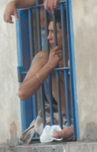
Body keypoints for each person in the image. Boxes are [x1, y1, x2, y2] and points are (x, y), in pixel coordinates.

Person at [17, 12, 74, 141]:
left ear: (67, 34)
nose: (48, 37)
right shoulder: (44, 56)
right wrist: (49, 66)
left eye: (54, 32)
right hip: (65, 111)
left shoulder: (78, 53)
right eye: (48, 32)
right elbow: (22, 93)